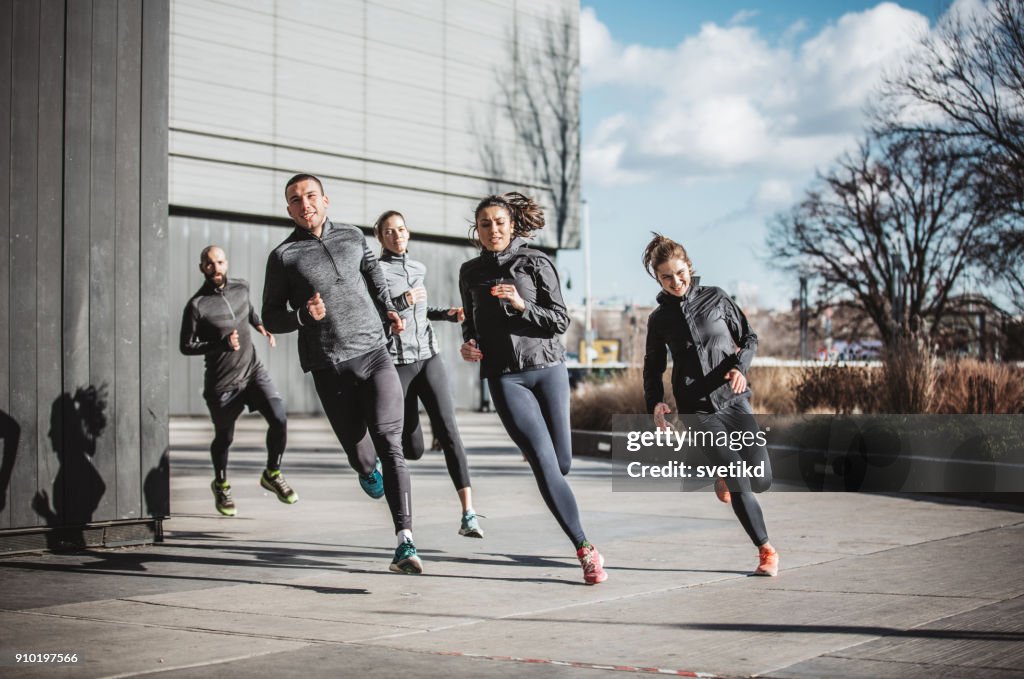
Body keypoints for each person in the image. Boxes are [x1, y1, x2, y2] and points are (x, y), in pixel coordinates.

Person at [262, 174, 422, 574]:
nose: (305, 204)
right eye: (296, 200)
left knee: (391, 442)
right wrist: (302, 315)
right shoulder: (284, 256)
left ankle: (405, 541)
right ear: (289, 210)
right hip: (328, 366)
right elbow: (270, 316)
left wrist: (388, 309)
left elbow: (374, 277)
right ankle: (366, 470)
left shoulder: (352, 237)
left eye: (311, 196)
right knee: (364, 456)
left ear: (326, 200)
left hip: (374, 353)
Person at [459, 192, 608, 585]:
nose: (493, 230)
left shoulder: (536, 262)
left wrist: (523, 304)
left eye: (500, 223)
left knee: (561, 464)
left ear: (512, 225)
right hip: (504, 376)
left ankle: (542, 458)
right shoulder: (470, 271)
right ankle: (585, 549)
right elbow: (470, 324)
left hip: (547, 368)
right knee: (545, 467)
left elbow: (560, 321)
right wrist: (469, 345)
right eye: (486, 224)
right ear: (478, 230)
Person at [641, 233, 778, 577]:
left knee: (761, 478)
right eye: (666, 277)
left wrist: (740, 369)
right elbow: (653, 366)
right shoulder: (659, 320)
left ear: (690, 267)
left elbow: (748, 337)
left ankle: (720, 473)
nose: (676, 282)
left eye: (680, 272)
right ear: (657, 279)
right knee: (738, 478)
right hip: (695, 408)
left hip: (733, 398)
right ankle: (765, 550)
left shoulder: (716, 298)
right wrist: (655, 402)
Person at [374, 210, 483, 538]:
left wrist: (447, 314)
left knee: (450, 432)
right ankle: (378, 462)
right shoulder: (376, 272)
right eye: (389, 231)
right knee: (413, 449)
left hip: (429, 358)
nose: (397, 235)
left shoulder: (419, 268)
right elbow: (377, 314)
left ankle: (469, 514)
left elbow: (423, 311)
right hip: (398, 364)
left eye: (402, 229)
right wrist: (403, 300)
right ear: (380, 237)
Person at [179, 245, 295, 517]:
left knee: (279, 417)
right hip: (222, 385)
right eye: (209, 264)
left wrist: (260, 325)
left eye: (219, 262)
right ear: (202, 268)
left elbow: (248, 310)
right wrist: (219, 344)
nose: (215, 268)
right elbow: (186, 346)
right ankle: (220, 484)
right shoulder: (196, 306)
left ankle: (272, 472)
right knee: (224, 437)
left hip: (252, 372)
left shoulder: (241, 287)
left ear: (226, 263)